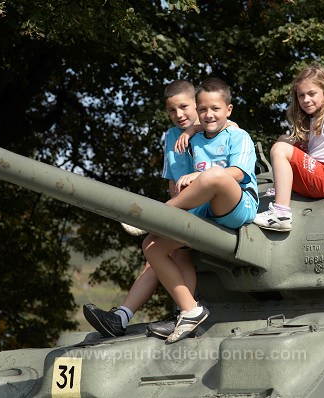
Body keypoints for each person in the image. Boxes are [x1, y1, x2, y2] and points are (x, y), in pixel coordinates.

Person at [142, 77, 259, 344]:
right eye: (203, 109)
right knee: (152, 245)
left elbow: (238, 173)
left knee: (213, 176)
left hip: (238, 206)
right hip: (206, 212)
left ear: (228, 110)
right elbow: (182, 177)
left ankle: (159, 214)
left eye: (215, 109)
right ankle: (190, 309)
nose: (208, 115)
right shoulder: (192, 140)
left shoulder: (238, 136)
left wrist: (197, 177)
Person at [83, 79, 201, 338]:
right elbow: (172, 178)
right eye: (172, 110)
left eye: (184, 107)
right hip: (181, 212)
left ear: (197, 104)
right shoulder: (170, 136)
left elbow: (232, 129)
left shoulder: (212, 127)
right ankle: (123, 317)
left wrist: (193, 131)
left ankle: (184, 312)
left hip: (204, 214)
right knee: (165, 257)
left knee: (157, 249)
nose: (178, 115)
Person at [253, 64, 324, 232]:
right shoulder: (312, 118)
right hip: (318, 173)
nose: (306, 100)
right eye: (301, 95)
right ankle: (282, 188)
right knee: (284, 140)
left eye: (312, 93)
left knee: (280, 149)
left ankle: (281, 214)